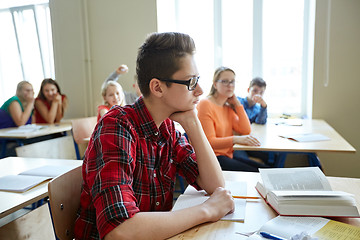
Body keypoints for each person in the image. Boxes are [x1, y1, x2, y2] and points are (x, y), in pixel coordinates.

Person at [74, 32, 234, 240]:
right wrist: (207, 211)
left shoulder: (167, 128)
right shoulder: (116, 126)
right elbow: (119, 231)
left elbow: (215, 185)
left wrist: (193, 123)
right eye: (191, 82)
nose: (200, 90)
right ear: (157, 87)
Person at [197, 67, 269, 172]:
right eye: (225, 81)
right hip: (212, 158)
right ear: (215, 84)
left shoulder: (227, 106)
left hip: (226, 155)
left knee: (267, 170)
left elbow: (245, 130)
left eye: (232, 81)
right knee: (259, 172)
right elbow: (209, 142)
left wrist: (237, 104)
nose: (230, 85)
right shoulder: (205, 104)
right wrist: (236, 139)